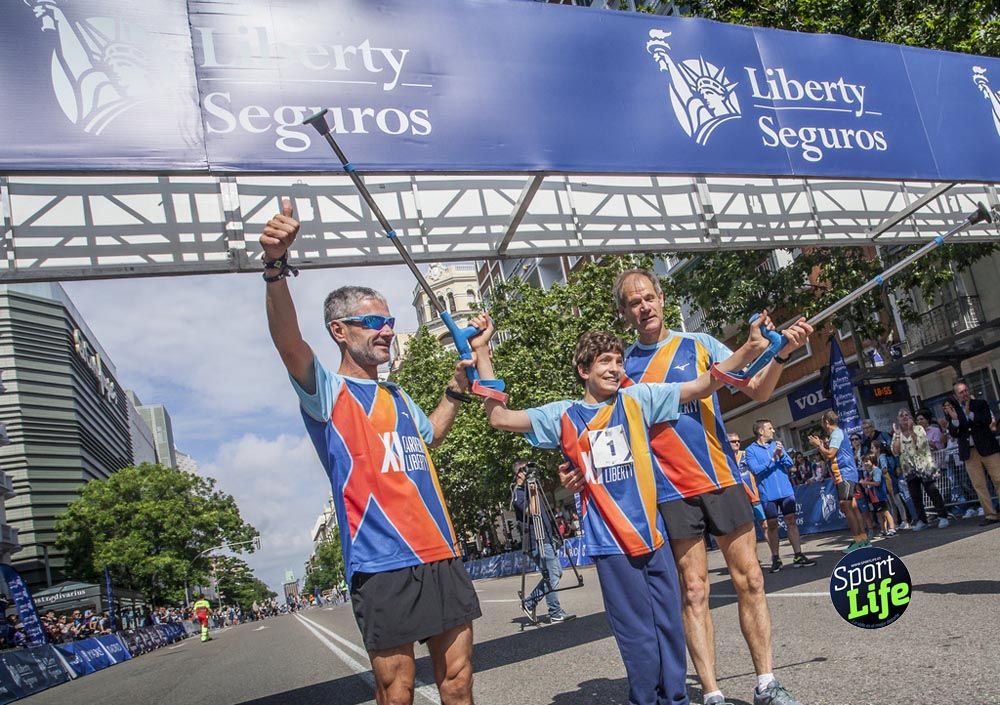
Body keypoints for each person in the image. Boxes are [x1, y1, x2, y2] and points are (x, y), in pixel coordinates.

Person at [475, 311, 773, 705]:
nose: (616, 369)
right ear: (583, 370)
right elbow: (499, 417)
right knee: (638, 638)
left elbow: (703, 384)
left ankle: (677, 699)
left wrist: (750, 348)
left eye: (618, 361)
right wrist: (482, 351)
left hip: (654, 536)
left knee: (669, 628)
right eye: (605, 362)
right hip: (611, 546)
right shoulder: (561, 415)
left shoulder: (639, 399)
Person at [260, 200, 482, 705]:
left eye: (389, 320)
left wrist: (453, 391)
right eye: (372, 321)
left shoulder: (399, 395)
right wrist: (275, 269)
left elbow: (427, 439)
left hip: (439, 551)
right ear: (340, 331)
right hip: (381, 561)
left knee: (460, 679)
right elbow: (288, 342)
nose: (386, 329)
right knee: (396, 690)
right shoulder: (327, 392)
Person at [559, 268, 810, 705]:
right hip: (667, 493)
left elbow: (756, 390)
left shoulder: (699, 345)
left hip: (721, 479)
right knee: (693, 591)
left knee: (750, 578)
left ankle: (767, 683)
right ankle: (710, 693)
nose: (644, 307)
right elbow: (593, 430)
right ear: (624, 314)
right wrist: (574, 470)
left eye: (649, 297)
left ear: (661, 297)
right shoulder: (620, 368)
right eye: (633, 303)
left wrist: (782, 355)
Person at [743, 420, 816, 574]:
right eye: (770, 428)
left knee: (791, 521)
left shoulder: (776, 445)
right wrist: (773, 460)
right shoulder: (750, 450)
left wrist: (781, 454)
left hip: (785, 491)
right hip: (768, 494)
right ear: (761, 431)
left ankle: (798, 555)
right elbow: (756, 470)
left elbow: (790, 464)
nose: (773, 430)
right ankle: (776, 557)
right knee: (772, 525)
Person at [511, 460, 576, 625]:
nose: (530, 472)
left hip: (547, 537)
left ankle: (532, 603)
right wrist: (532, 490)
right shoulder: (518, 492)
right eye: (526, 470)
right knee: (552, 575)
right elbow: (533, 511)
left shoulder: (532, 489)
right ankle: (553, 611)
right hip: (535, 541)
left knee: (554, 574)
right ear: (519, 473)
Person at [808, 411, 869, 553]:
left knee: (846, 507)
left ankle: (858, 541)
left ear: (827, 422)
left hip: (844, 474)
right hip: (844, 474)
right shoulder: (836, 434)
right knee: (852, 506)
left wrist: (818, 445)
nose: (822, 425)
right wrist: (823, 444)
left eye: (822, 422)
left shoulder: (836, 433)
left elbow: (830, 454)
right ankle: (863, 540)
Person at [946, 381, 1000, 525]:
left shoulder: (980, 404)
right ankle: (990, 514)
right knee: (979, 484)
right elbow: (953, 432)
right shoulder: (953, 411)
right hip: (969, 452)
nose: (964, 394)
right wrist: (955, 420)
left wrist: (970, 414)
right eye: (960, 393)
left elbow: (987, 420)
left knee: (998, 479)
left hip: (987, 448)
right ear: (955, 396)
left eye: (965, 391)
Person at [893, 409, 951, 530]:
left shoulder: (919, 429)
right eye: (901, 416)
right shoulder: (897, 434)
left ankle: (942, 516)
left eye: (907, 415)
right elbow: (896, 451)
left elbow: (920, 445)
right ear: (898, 419)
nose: (904, 417)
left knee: (932, 491)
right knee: (915, 495)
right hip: (908, 468)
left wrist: (910, 430)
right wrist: (898, 435)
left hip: (924, 465)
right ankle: (921, 520)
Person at [731, 433, 767, 566]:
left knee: (765, 525)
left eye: (738, 441)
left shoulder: (746, 455)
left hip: (753, 496)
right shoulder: (725, 459)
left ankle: (775, 557)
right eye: (733, 441)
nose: (737, 443)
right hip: (739, 500)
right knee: (746, 531)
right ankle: (753, 559)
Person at [860, 452, 896, 537]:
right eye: (864, 462)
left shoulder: (876, 471)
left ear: (872, 461)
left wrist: (866, 482)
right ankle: (883, 530)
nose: (865, 463)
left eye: (867, 461)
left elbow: (877, 483)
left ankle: (892, 529)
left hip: (880, 496)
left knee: (886, 512)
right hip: (874, 498)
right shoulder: (869, 472)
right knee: (879, 513)